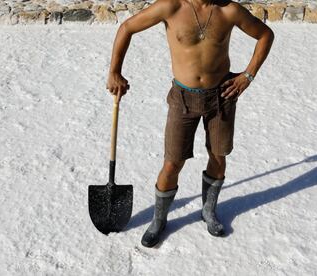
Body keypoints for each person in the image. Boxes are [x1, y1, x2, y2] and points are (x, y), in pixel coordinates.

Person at [106, 0, 274, 247]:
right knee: (173, 163)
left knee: (218, 156)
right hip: (183, 98)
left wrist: (248, 75)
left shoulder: (229, 10)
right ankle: (159, 219)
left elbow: (265, 35)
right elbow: (127, 28)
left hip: (222, 96)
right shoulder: (171, 7)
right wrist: (114, 71)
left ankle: (208, 212)